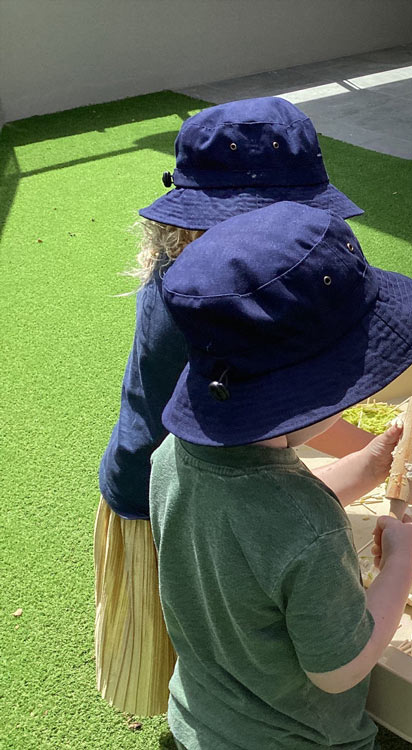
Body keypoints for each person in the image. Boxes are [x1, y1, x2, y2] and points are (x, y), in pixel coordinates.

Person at [96, 96, 373, 716]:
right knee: (207, 635)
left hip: (180, 470)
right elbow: (281, 400)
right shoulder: (216, 308)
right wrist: (369, 447)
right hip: (160, 491)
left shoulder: (198, 271)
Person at [150, 201, 412, 750]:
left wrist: (371, 464)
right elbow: (340, 669)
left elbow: (255, 537)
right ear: (305, 390)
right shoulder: (311, 529)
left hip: (204, 718)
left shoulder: (172, 457)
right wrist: (401, 560)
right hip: (297, 737)